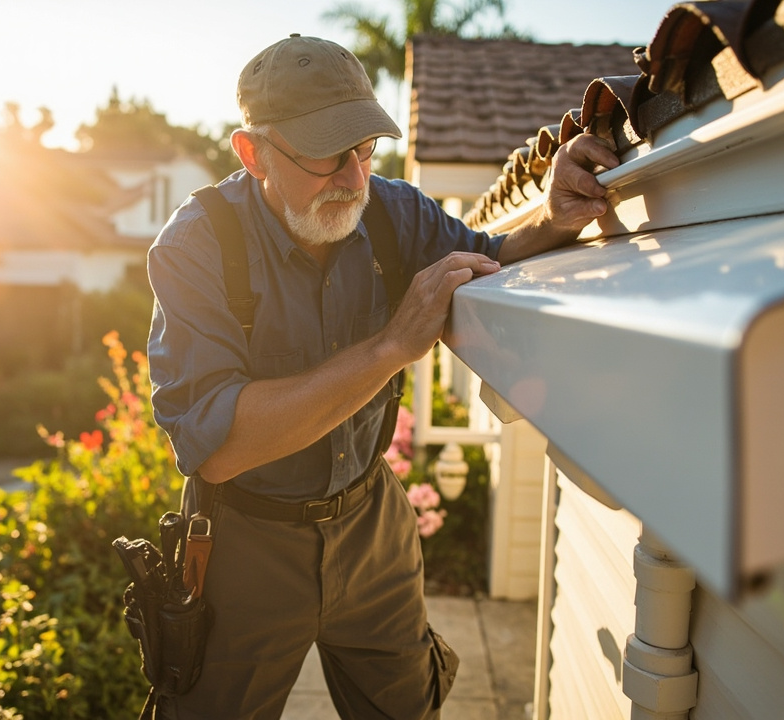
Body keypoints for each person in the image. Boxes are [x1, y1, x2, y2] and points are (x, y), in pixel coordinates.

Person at [145, 33, 618, 719]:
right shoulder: (196, 247)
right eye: (325, 152)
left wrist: (555, 213)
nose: (352, 177)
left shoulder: (395, 211)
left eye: (364, 146)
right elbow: (218, 448)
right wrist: (391, 346)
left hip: (373, 528)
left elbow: (494, 262)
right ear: (254, 154)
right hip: (244, 545)